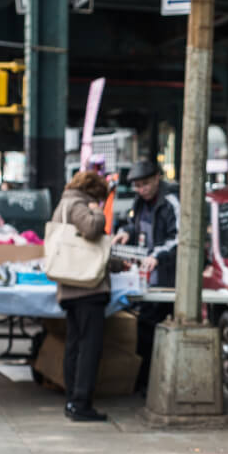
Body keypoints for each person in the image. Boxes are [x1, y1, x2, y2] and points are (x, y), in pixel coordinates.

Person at [51, 171, 126, 422]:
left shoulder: (64, 204)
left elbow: (86, 250)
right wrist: (96, 210)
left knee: (74, 346)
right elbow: (93, 230)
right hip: (87, 289)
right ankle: (81, 403)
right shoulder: (78, 205)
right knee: (88, 348)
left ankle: (72, 400)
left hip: (70, 287)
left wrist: (113, 264)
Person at [111, 159, 180, 392]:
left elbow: (180, 236)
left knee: (154, 328)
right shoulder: (139, 202)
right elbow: (134, 225)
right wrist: (125, 233)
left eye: (145, 185)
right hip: (146, 277)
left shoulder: (171, 201)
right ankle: (143, 383)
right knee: (145, 328)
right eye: (137, 186)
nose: (141, 190)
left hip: (168, 278)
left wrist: (158, 255)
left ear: (157, 178)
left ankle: (151, 384)